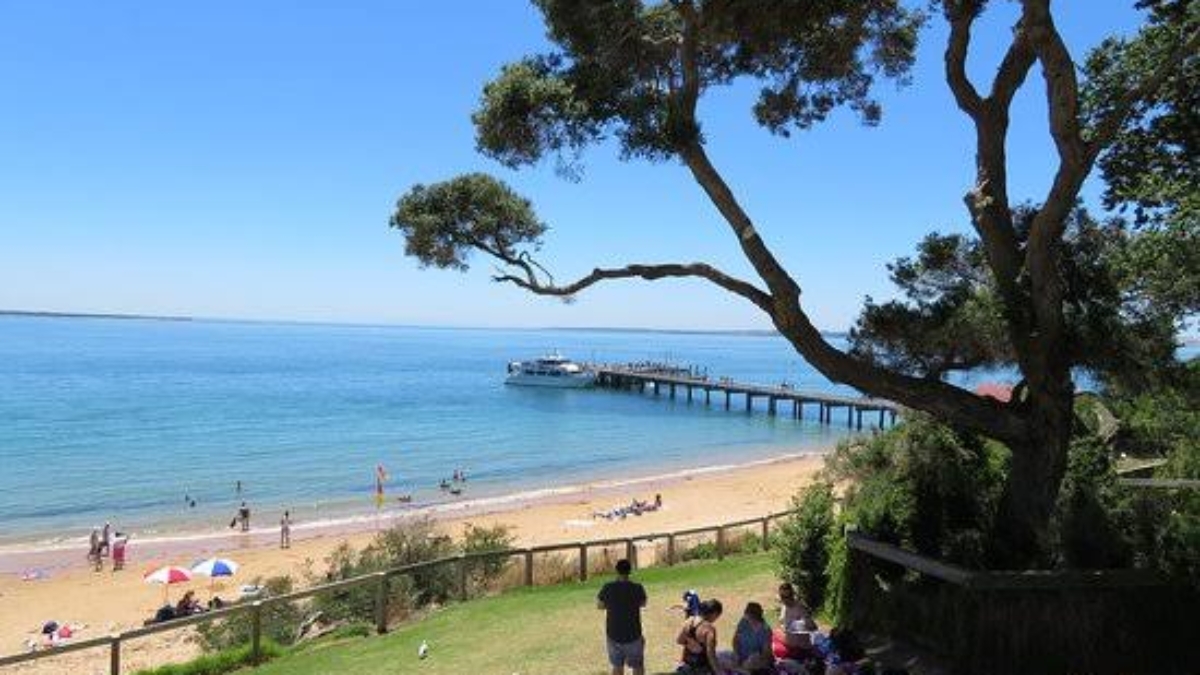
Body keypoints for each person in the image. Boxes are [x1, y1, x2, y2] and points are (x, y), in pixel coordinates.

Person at [596, 559, 647, 675]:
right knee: (638, 666)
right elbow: (643, 603)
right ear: (630, 571)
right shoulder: (637, 587)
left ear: (616, 571)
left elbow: (600, 605)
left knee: (617, 666)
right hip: (633, 634)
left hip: (613, 634)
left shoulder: (608, 587)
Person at [677, 599, 723, 674]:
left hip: (686, 665)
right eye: (717, 616)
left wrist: (690, 642)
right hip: (701, 669)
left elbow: (679, 640)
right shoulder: (709, 629)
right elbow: (710, 655)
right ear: (714, 614)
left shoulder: (689, 621)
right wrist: (719, 672)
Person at [732, 602, 775, 675]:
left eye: (747, 615)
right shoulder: (744, 622)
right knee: (721, 656)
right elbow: (735, 640)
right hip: (741, 657)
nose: (745, 616)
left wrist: (755, 657)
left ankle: (741, 669)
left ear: (754, 616)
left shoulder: (765, 630)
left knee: (752, 661)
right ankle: (742, 669)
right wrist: (736, 653)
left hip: (757, 660)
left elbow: (766, 653)